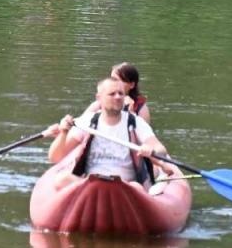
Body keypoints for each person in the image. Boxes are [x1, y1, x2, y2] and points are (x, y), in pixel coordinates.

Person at [45, 77, 173, 187]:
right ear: (99, 98)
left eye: (121, 93)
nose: (118, 97)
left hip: (125, 186)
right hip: (91, 185)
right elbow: (55, 157)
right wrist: (63, 133)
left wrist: (151, 150)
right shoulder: (86, 122)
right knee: (62, 179)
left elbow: (160, 149)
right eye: (112, 94)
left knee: (136, 187)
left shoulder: (135, 122)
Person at [80, 62, 152, 124]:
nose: (113, 83)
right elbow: (80, 123)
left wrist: (131, 112)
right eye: (112, 79)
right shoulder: (102, 101)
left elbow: (144, 132)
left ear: (131, 85)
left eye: (117, 80)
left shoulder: (140, 107)